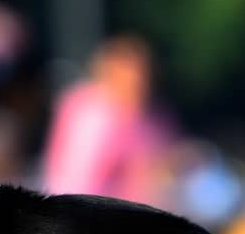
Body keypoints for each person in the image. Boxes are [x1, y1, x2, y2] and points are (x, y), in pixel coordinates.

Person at [42, 35, 173, 206]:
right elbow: (77, 183)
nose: (139, 81)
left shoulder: (155, 116)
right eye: (132, 73)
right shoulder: (90, 115)